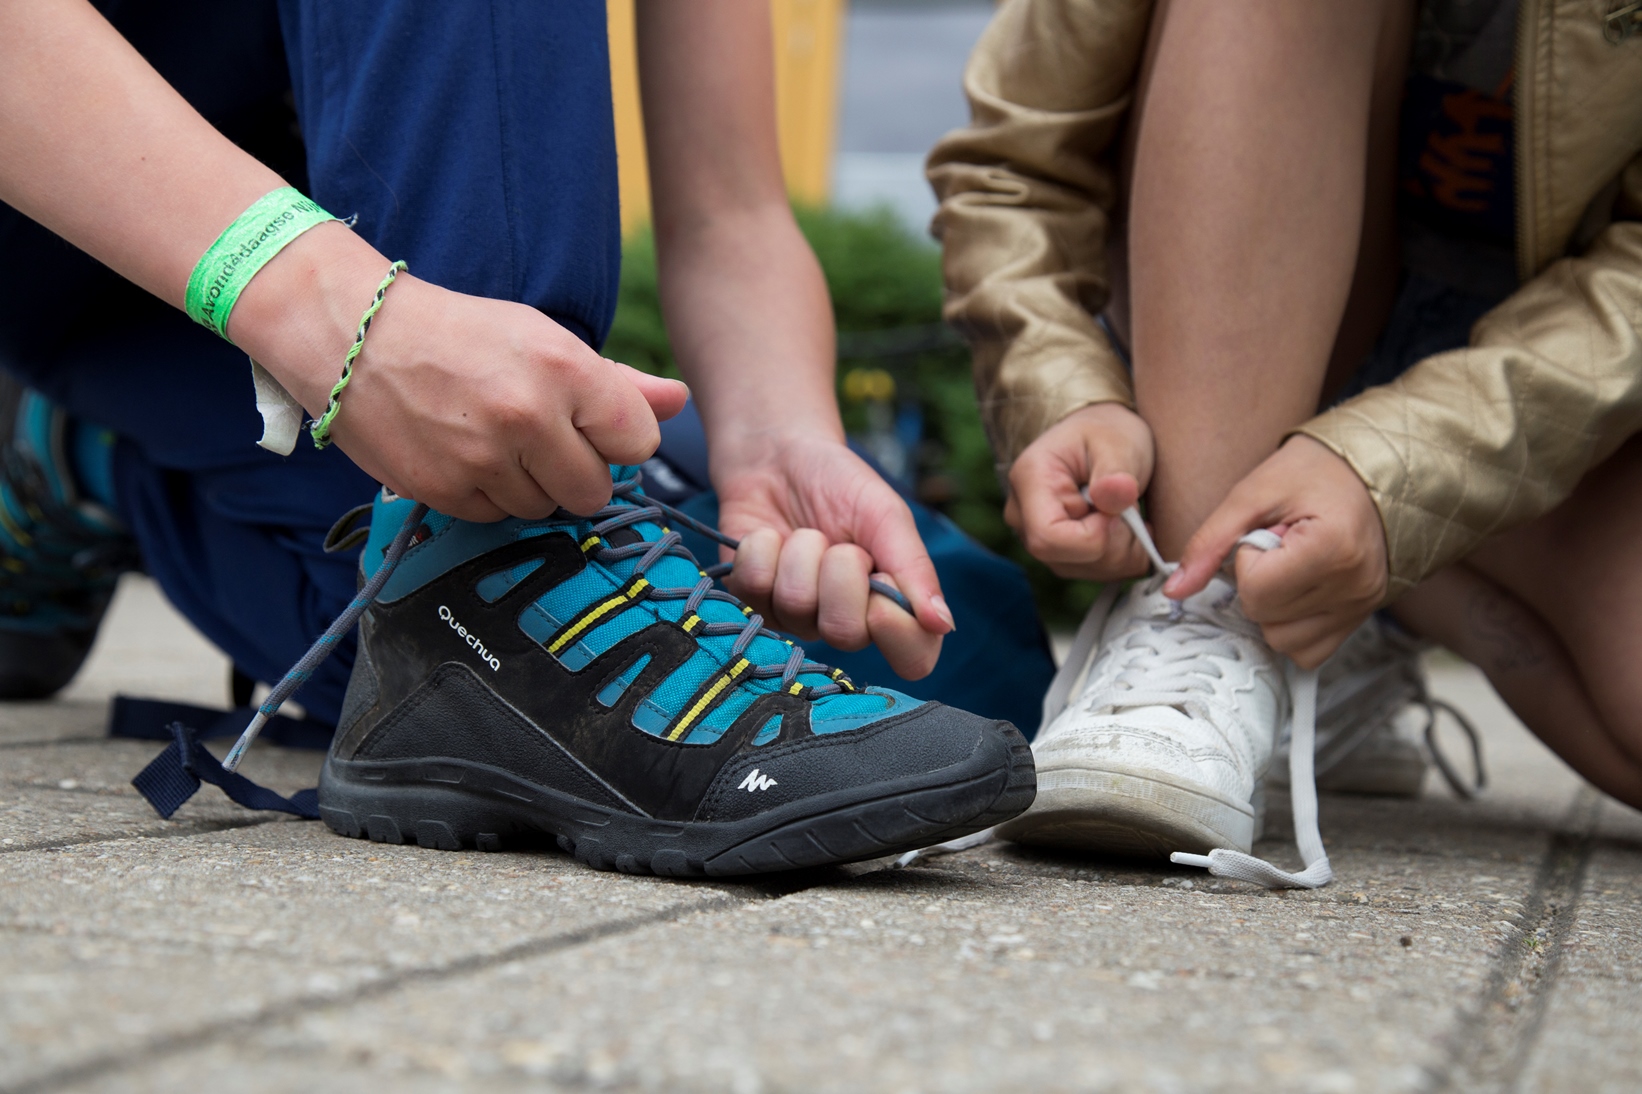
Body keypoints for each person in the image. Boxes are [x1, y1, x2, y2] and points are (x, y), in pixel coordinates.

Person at [0, 0, 1044, 875]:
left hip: (375, 243)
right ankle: (483, 552)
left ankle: (90, 456)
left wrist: (780, 442)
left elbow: (727, 208)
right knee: (504, 641)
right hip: (74, 194)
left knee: (965, 665)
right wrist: (335, 310)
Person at [928, 0, 1642, 877]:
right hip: (1213, 337)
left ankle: (1357, 600)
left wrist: (1393, 475)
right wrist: (1064, 396)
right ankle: (1208, 611)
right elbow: (1011, 166)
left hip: (1544, 379)